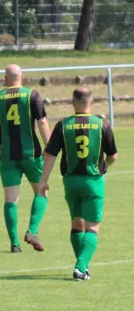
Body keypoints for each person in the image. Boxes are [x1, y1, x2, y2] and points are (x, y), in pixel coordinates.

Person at [39, 87, 117, 281]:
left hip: (71, 181)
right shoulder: (102, 125)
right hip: (93, 181)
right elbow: (113, 155)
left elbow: (49, 154)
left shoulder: (63, 125)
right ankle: (80, 267)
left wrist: (43, 181)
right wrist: (104, 166)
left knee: (76, 223)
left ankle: (83, 266)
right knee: (92, 227)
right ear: (91, 102)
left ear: (72, 102)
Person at [0, 64, 51, 253]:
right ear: (21, 77)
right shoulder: (32, 95)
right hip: (31, 152)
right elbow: (41, 122)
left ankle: (14, 244)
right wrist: (49, 147)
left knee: (10, 199)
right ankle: (32, 230)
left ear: (5, 78)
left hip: (7, 154)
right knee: (41, 191)